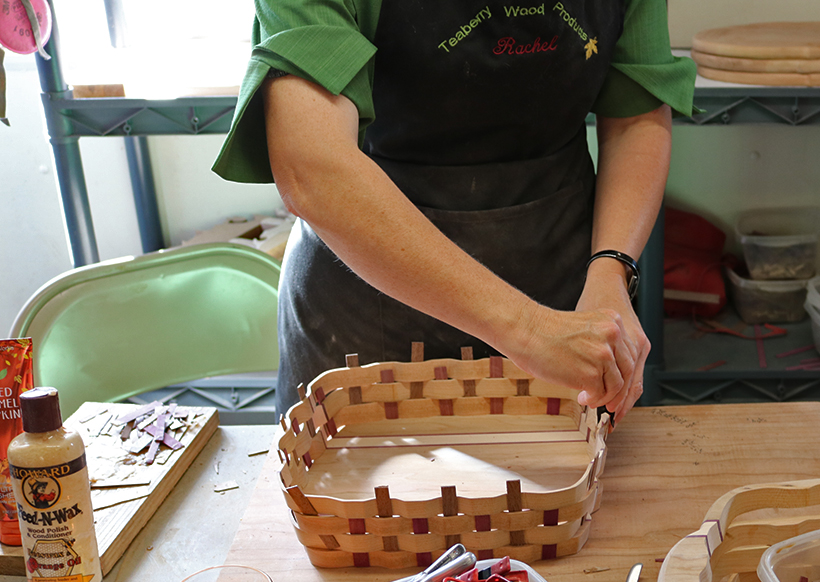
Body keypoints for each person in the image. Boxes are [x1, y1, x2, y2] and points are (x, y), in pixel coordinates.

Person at [212, 0, 696, 423]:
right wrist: (527, 330)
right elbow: (312, 167)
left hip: (569, 287)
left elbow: (635, 116)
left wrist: (611, 273)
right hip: (368, 298)